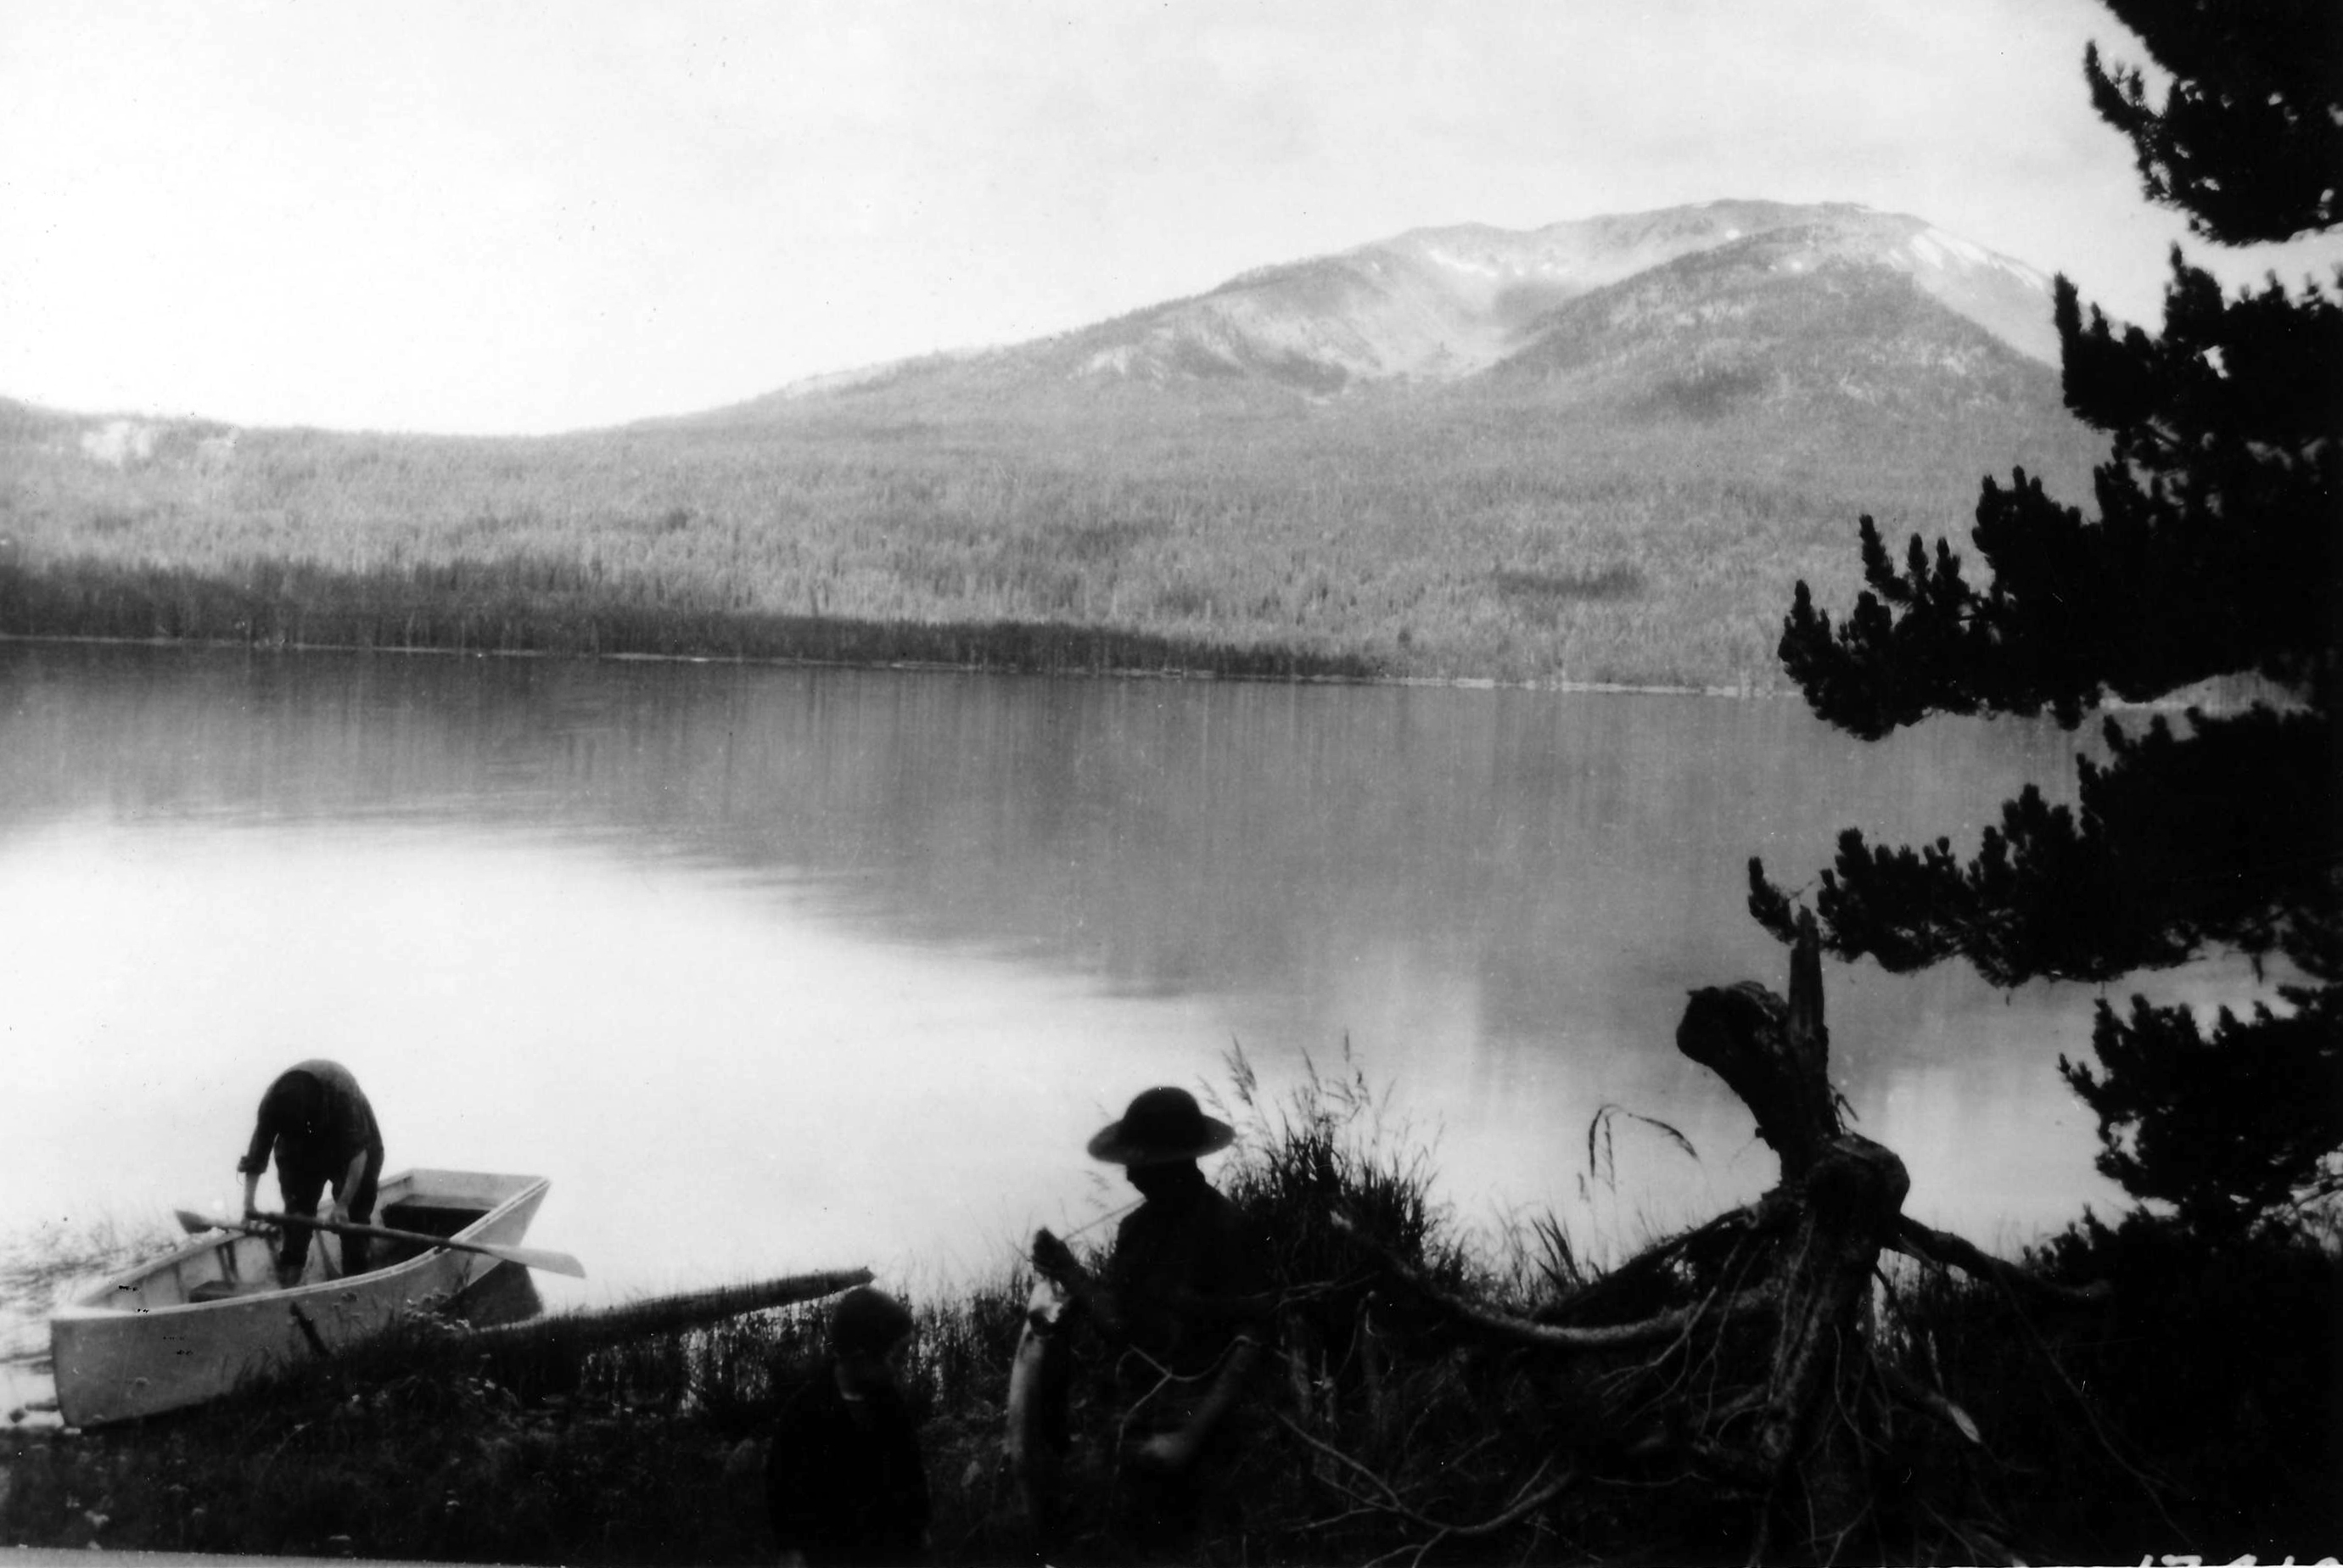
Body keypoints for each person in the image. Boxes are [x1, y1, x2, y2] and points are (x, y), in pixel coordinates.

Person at [1034, 1085, 1274, 1556]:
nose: (1126, 1175)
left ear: (1175, 1163)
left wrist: (1186, 1438)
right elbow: (1122, 1325)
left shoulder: (1228, 1230)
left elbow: (1253, 1340)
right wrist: (1070, 1273)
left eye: (1138, 1162)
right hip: (1138, 1419)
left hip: (1202, 1429)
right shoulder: (1135, 1231)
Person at [766, 1285, 932, 1567]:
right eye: (898, 1359)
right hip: (828, 1551)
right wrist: (789, 1547)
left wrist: (920, 1526)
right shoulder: (804, 1410)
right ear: (860, 1358)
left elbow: (910, 1471)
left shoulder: (890, 1405)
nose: (903, 1368)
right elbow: (783, 1486)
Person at [237, 1059, 384, 1286]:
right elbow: (256, 1157)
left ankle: (355, 1284)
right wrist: (248, 1208)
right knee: (297, 1217)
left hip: (347, 1142)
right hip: (299, 1150)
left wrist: (343, 1204)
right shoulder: (272, 1103)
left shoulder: (342, 1095)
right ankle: (290, 1284)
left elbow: (359, 1155)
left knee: (354, 1218)